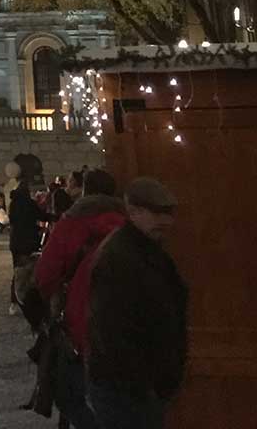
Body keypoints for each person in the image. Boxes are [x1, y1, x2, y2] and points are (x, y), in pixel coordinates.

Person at [88, 178, 188, 429]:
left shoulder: (147, 249)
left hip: (141, 383)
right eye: (157, 213)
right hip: (127, 387)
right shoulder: (120, 256)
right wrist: (144, 383)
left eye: (168, 213)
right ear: (134, 212)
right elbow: (112, 330)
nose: (165, 221)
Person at [34, 168, 125, 429]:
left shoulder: (71, 224)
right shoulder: (129, 223)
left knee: (69, 396)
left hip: (79, 325)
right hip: (124, 327)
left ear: (84, 190)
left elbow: (45, 275)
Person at [8, 168, 49, 316]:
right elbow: (40, 216)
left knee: (17, 271)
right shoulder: (29, 204)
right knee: (27, 271)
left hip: (15, 242)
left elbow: (12, 220)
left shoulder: (13, 203)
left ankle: (14, 301)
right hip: (27, 241)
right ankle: (26, 298)